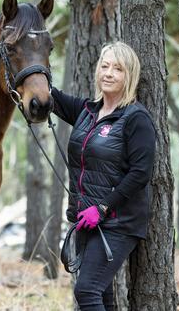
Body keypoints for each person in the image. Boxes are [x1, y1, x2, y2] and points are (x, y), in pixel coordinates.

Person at [52, 41, 156, 310]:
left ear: (129, 75)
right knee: (102, 296)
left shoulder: (136, 118)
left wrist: (103, 207)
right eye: (105, 66)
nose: (108, 73)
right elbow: (50, 96)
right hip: (86, 220)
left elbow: (140, 173)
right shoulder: (86, 111)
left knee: (86, 290)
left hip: (118, 222)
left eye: (118, 69)